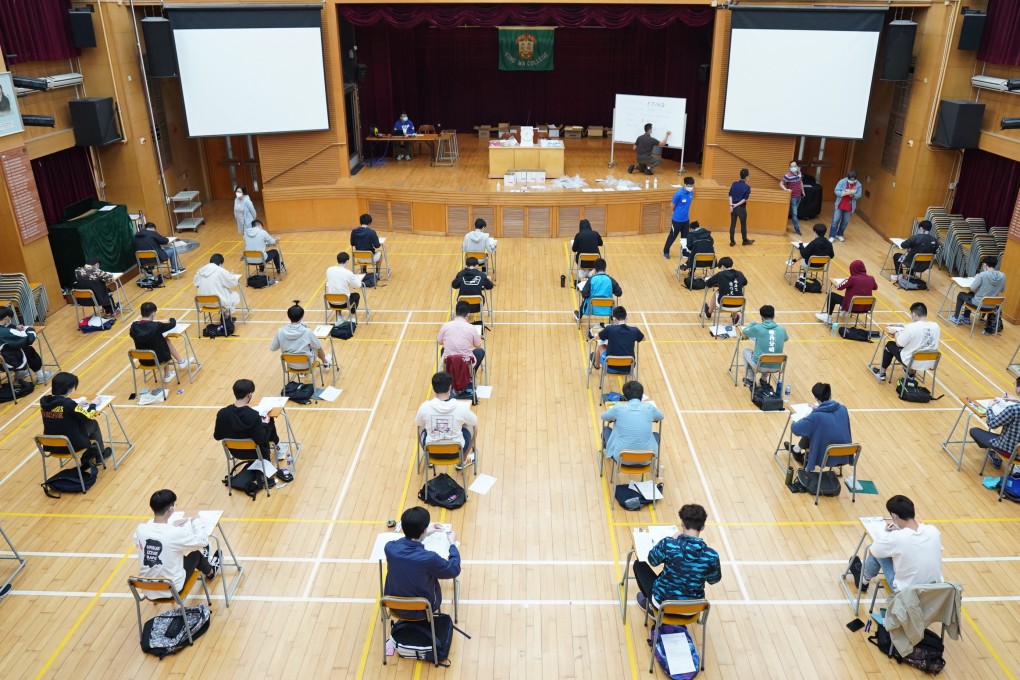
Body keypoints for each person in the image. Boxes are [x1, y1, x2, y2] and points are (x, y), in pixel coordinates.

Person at [133, 489, 222, 598]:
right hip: (171, 589)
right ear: (170, 509)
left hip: (147, 588)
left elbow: (139, 543)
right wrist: (196, 522)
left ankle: (206, 564)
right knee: (196, 554)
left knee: (169, 554)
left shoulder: (141, 529)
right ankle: (211, 572)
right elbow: (203, 541)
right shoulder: (174, 534)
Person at [633, 504, 721, 610]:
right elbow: (714, 580)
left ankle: (652, 607)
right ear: (702, 527)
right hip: (693, 608)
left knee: (639, 564)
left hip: (664, 605)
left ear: (682, 523)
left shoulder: (669, 544)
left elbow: (652, 560)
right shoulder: (712, 556)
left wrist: (671, 540)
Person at [383, 506, 461, 618]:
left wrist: (423, 534)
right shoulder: (430, 558)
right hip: (424, 609)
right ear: (424, 530)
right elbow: (454, 569)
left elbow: (402, 542)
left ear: (403, 528)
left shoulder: (389, 548)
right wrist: (452, 544)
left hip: (394, 605)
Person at [857, 495, 942, 594]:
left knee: (879, 552)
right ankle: (864, 580)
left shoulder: (897, 537)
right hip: (935, 589)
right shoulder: (933, 530)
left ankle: (863, 581)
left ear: (894, 516)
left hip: (907, 592)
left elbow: (872, 551)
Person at [214, 378, 290, 480]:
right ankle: (279, 447)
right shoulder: (253, 415)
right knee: (269, 422)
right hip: (255, 452)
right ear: (249, 395)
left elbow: (217, 436)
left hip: (235, 452)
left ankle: (279, 447)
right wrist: (264, 424)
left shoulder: (222, 413)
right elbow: (260, 440)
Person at [39, 371, 110, 465]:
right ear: (69, 389)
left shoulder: (44, 401)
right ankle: (100, 455)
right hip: (70, 445)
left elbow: (60, 409)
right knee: (92, 423)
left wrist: (76, 405)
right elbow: (88, 416)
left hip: (51, 445)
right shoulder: (69, 404)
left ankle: (90, 452)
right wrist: (93, 405)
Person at [415, 371, 478, 470]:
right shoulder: (460, 407)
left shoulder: (425, 406)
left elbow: (417, 422)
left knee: (420, 426)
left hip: (432, 452)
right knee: (473, 427)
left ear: (433, 388)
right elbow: (474, 421)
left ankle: (428, 459)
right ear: (450, 387)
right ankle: (463, 459)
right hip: (456, 452)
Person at [787, 383, 852, 471]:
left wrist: (808, 417)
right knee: (816, 429)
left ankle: (798, 452)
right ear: (830, 395)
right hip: (845, 452)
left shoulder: (816, 416)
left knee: (812, 430)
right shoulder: (843, 409)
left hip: (824, 456)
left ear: (816, 398)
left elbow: (795, 428)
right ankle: (796, 449)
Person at [872, 302, 940, 382]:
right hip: (930, 362)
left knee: (890, 345)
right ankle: (910, 374)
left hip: (912, 361)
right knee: (916, 347)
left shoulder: (912, 327)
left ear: (914, 314)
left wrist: (897, 332)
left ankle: (881, 373)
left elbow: (899, 344)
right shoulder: (936, 326)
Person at [600, 380, 664, 463]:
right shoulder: (649, 408)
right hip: (646, 459)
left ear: (625, 397)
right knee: (656, 435)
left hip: (622, 458)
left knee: (606, 429)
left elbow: (603, 416)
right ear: (641, 396)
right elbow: (661, 416)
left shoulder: (618, 408)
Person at [129, 302, 193, 382]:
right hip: (158, 359)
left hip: (143, 360)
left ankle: (179, 363)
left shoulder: (134, 326)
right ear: (152, 313)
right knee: (163, 340)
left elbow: (133, 335)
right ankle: (169, 373)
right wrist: (172, 319)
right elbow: (172, 324)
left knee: (160, 339)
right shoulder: (156, 326)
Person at [968, 376, 1020, 471]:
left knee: (974, 431)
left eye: (1015, 384)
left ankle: (996, 456)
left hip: (1009, 452)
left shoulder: (1013, 409)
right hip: (1018, 449)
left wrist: (989, 407)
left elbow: (992, 424)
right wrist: (1017, 401)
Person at [949, 256, 1006, 333]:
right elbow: (1002, 289)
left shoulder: (983, 275)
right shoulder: (1003, 276)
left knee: (961, 295)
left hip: (979, 305)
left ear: (985, 265)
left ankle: (956, 317)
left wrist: (976, 279)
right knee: (970, 294)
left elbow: (972, 288)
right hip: (992, 307)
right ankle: (966, 317)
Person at [438, 301, 485, 391]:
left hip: (448, 362)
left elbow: (439, 342)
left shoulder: (445, 326)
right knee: (480, 352)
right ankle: (470, 375)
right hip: (466, 363)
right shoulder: (471, 328)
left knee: (443, 349)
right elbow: (478, 346)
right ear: (468, 314)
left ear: (455, 312)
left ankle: (449, 374)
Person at [270, 301, 330, 370]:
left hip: (291, 364)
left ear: (289, 316)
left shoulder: (280, 331)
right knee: (315, 344)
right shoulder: (307, 331)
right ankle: (325, 362)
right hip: (307, 364)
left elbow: (273, 348)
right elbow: (318, 345)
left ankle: (302, 372)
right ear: (302, 316)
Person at [0, 306, 52, 384]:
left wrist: (15, 326)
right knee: (27, 349)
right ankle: (41, 375)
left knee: (9, 348)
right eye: (10, 319)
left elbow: (5, 327)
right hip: (9, 363)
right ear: (7, 318)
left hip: (1, 363)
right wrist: (29, 329)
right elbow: (29, 338)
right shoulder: (6, 332)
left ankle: (19, 374)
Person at [740, 305, 788, 388]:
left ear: (761, 317)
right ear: (774, 316)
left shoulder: (758, 328)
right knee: (770, 352)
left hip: (760, 366)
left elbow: (745, 331)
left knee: (746, 352)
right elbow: (785, 338)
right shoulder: (782, 329)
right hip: (777, 366)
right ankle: (763, 380)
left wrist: (751, 325)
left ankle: (751, 380)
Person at [590, 306, 643, 371]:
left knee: (601, 347)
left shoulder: (609, 329)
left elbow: (596, 337)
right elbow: (643, 338)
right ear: (626, 317)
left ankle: (596, 365)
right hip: (629, 368)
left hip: (610, 367)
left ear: (614, 318)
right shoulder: (635, 330)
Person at [193, 253, 241, 318]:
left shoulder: (200, 270)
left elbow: (196, 284)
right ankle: (226, 317)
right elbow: (231, 283)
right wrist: (233, 277)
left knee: (223, 295)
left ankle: (224, 317)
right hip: (218, 302)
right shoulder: (220, 270)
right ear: (220, 263)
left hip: (202, 302)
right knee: (235, 296)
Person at [574, 258, 622, 322]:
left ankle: (579, 315)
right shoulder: (610, 280)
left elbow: (585, 295)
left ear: (595, 269)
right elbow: (619, 293)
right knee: (611, 300)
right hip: (608, 309)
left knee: (586, 299)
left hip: (592, 309)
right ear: (605, 269)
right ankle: (612, 317)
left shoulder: (591, 279)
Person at [703, 257, 748, 323]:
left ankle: (708, 313)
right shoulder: (740, 273)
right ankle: (735, 318)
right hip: (739, 305)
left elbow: (708, 284)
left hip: (723, 304)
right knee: (735, 293)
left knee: (717, 292)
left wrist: (720, 284)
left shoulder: (720, 274)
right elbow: (745, 283)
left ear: (723, 266)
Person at [664, 176, 695, 259]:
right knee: (672, 236)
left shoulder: (691, 193)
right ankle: (666, 251)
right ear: (685, 184)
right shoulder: (678, 194)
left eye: (692, 186)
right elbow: (672, 205)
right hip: (677, 220)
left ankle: (684, 252)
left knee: (685, 238)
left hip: (686, 220)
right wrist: (674, 212)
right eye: (689, 186)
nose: (690, 187)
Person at [829, 170, 862, 242]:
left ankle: (839, 234)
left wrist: (853, 195)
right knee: (835, 221)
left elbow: (859, 195)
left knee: (845, 222)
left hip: (849, 206)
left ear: (855, 178)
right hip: (840, 205)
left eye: (852, 180)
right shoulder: (842, 181)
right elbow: (836, 190)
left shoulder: (858, 185)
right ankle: (832, 236)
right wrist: (842, 193)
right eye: (850, 179)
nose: (851, 181)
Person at [728, 168, 754, 247]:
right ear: (746, 177)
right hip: (741, 208)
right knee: (743, 225)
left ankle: (732, 241)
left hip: (733, 207)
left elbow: (730, 195)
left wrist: (731, 205)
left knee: (732, 225)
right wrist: (736, 205)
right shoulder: (747, 187)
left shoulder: (734, 184)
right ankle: (744, 240)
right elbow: (744, 199)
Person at [780, 161, 805, 236]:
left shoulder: (799, 173)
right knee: (794, 213)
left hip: (799, 196)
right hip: (793, 197)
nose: (793, 168)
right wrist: (786, 189)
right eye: (791, 166)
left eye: (794, 166)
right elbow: (781, 183)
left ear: (797, 167)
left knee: (794, 212)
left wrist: (803, 191)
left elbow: (801, 182)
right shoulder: (787, 176)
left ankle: (789, 224)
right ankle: (797, 229)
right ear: (789, 167)